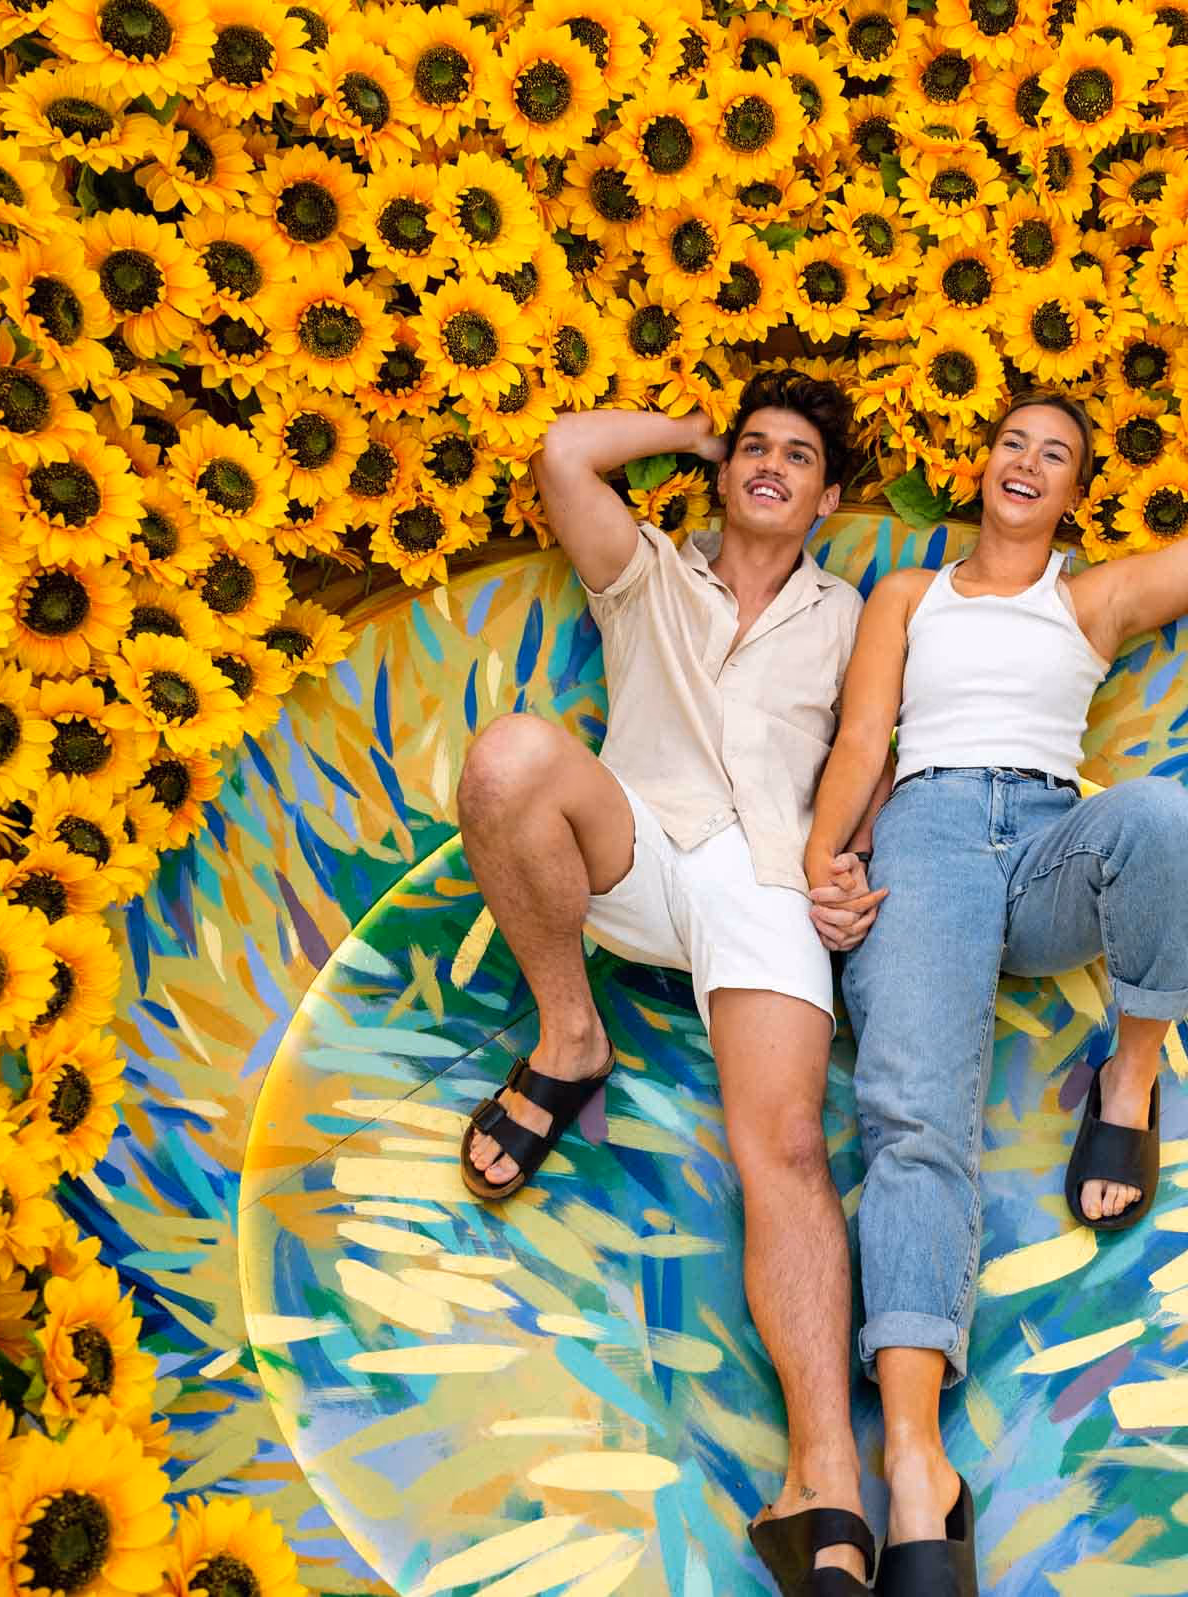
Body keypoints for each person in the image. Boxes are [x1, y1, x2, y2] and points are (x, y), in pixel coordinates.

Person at [801, 298, 1188, 1589]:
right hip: (921, 835)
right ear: (981, 466)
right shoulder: (909, 593)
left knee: (1166, 819)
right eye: (1011, 442)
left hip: (1045, 848)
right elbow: (865, 740)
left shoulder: (1090, 603)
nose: (1026, 462)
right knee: (914, 1116)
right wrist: (829, 852)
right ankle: (916, 1466)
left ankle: (1131, 1075)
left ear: (1073, 493)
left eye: (1055, 454)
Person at [451, 374, 887, 1595]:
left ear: (828, 496)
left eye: (797, 456)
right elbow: (564, 451)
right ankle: (570, 1036)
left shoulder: (853, 614)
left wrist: (852, 868)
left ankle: (826, 1484)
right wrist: (693, 429)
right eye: (753, 449)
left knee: (788, 1147)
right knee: (509, 758)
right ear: (721, 472)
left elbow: (875, 758)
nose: (769, 466)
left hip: (769, 876)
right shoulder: (648, 570)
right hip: (637, 843)